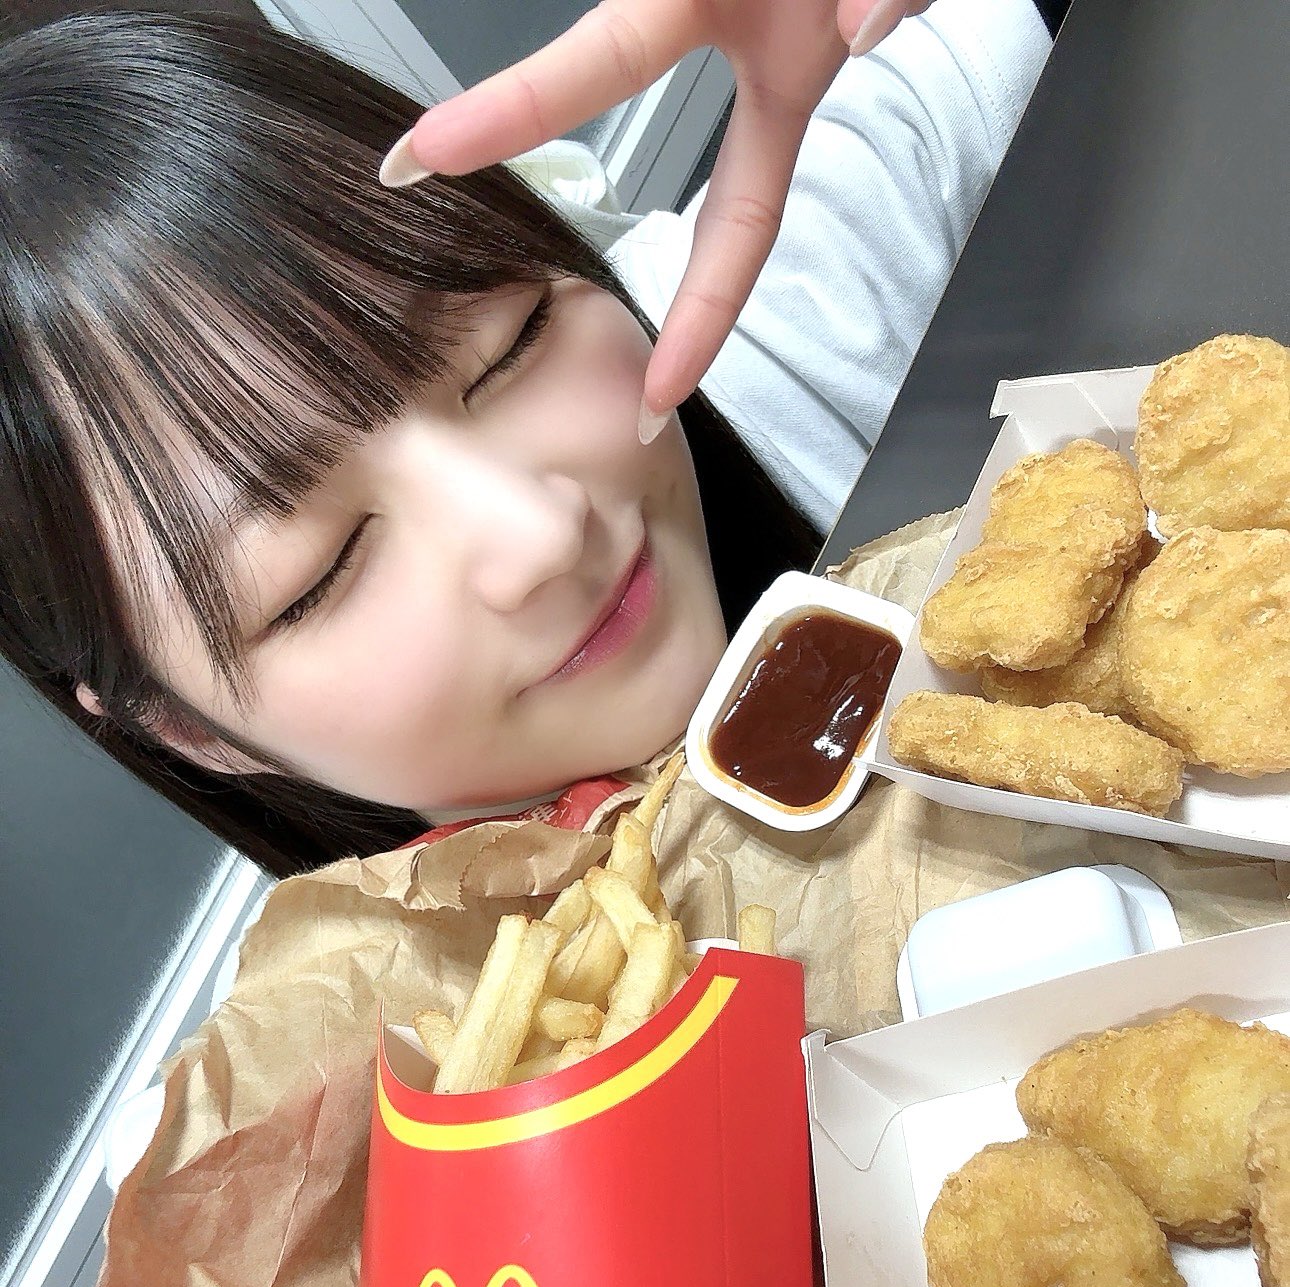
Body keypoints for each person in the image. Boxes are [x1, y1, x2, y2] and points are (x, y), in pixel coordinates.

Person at [0, 5, 1050, 880]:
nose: (542, 533)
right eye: (320, 570)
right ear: (190, 730)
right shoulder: (417, 1050)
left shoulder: (774, 305)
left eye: (510, 346)